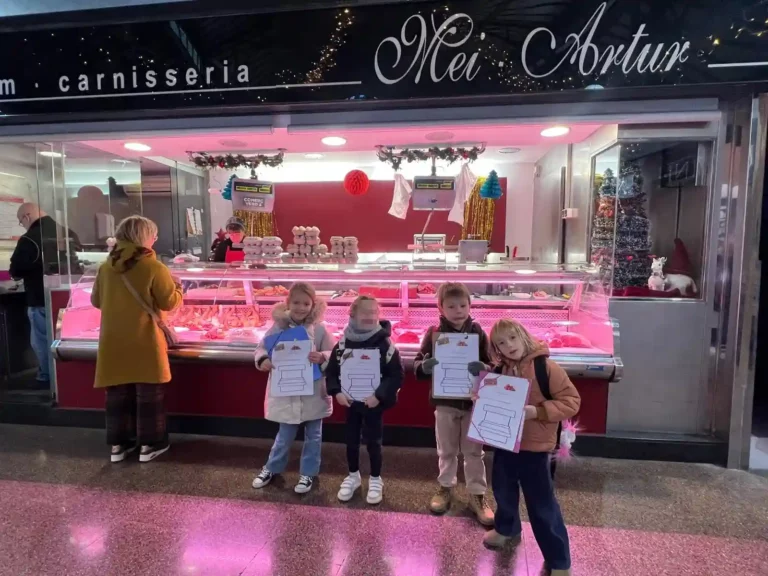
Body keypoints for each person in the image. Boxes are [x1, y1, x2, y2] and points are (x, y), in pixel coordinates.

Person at [480, 318, 580, 576]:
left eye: (512, 338)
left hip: (535, 448)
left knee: (542, 504)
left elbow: (572, 401)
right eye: (501, 343)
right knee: (503, 490)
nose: (509, 345)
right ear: (496, 349)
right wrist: (480, 398)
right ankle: (507, 528)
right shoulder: (499, 370)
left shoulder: (546, 368)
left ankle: (559, 559)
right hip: (505, 443)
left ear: (524, 336)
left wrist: (538, 411)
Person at [90, 215, 183, 463]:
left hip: (113, 340)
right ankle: (149, 446)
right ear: (144, 237)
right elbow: (169, 302)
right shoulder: (154, 267)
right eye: (153, 235)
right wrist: (178, 288)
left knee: (117, 393)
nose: (155, 239)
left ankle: (118, 446)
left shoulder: (105, 267)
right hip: (145, 339)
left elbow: (96, 301)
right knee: (148, 394)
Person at [413, 282, 494, 525]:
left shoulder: (479, 333)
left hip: (473, 403)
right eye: (451, 306)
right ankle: (445, 487)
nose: (458, 310)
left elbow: (493, 364)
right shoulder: (434, 333)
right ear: (441, 308)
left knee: (474, 452)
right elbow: (418, 362)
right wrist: (424, 367)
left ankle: (477, 494)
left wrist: (485, 368)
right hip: (445, 403)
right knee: (446, 450)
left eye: (462, 305)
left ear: (470, 306)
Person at [252, 282, 334, 494]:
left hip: (313, 393)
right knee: (284, 435)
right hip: (286, 392)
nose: (301, 307)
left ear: (313, 305)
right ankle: (272, 467)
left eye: (306, 303)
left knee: (314, 437)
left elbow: (333, 352)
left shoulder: (320, 329)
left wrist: (322, 356)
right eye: (296, 302)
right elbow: (261, 348)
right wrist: (263, 360)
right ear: (288, 303)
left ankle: (308, 473)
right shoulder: (277, 327)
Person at [326, 296, 404, 505]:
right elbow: (332, 372)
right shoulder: (342, 343)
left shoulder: (385, 344)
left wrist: (379, 396)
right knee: (351, 441)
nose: (370, 316)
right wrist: (336, 392)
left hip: (373, 404)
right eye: (365, 312)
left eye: (373, 312)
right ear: (352, 314)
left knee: (374, 442)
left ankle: (376, 478)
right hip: (351, 403)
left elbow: (396, 375)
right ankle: (353, 476)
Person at [10, 202, 81, 385]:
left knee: (42, 341)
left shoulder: (29, 239)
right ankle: (64, 381)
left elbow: (16, 269)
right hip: (69, 298)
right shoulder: (67, 232)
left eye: (21, 222)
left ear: (27, 216)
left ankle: (47, 377)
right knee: (63, 340)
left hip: (39, 298)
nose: (23, 225)